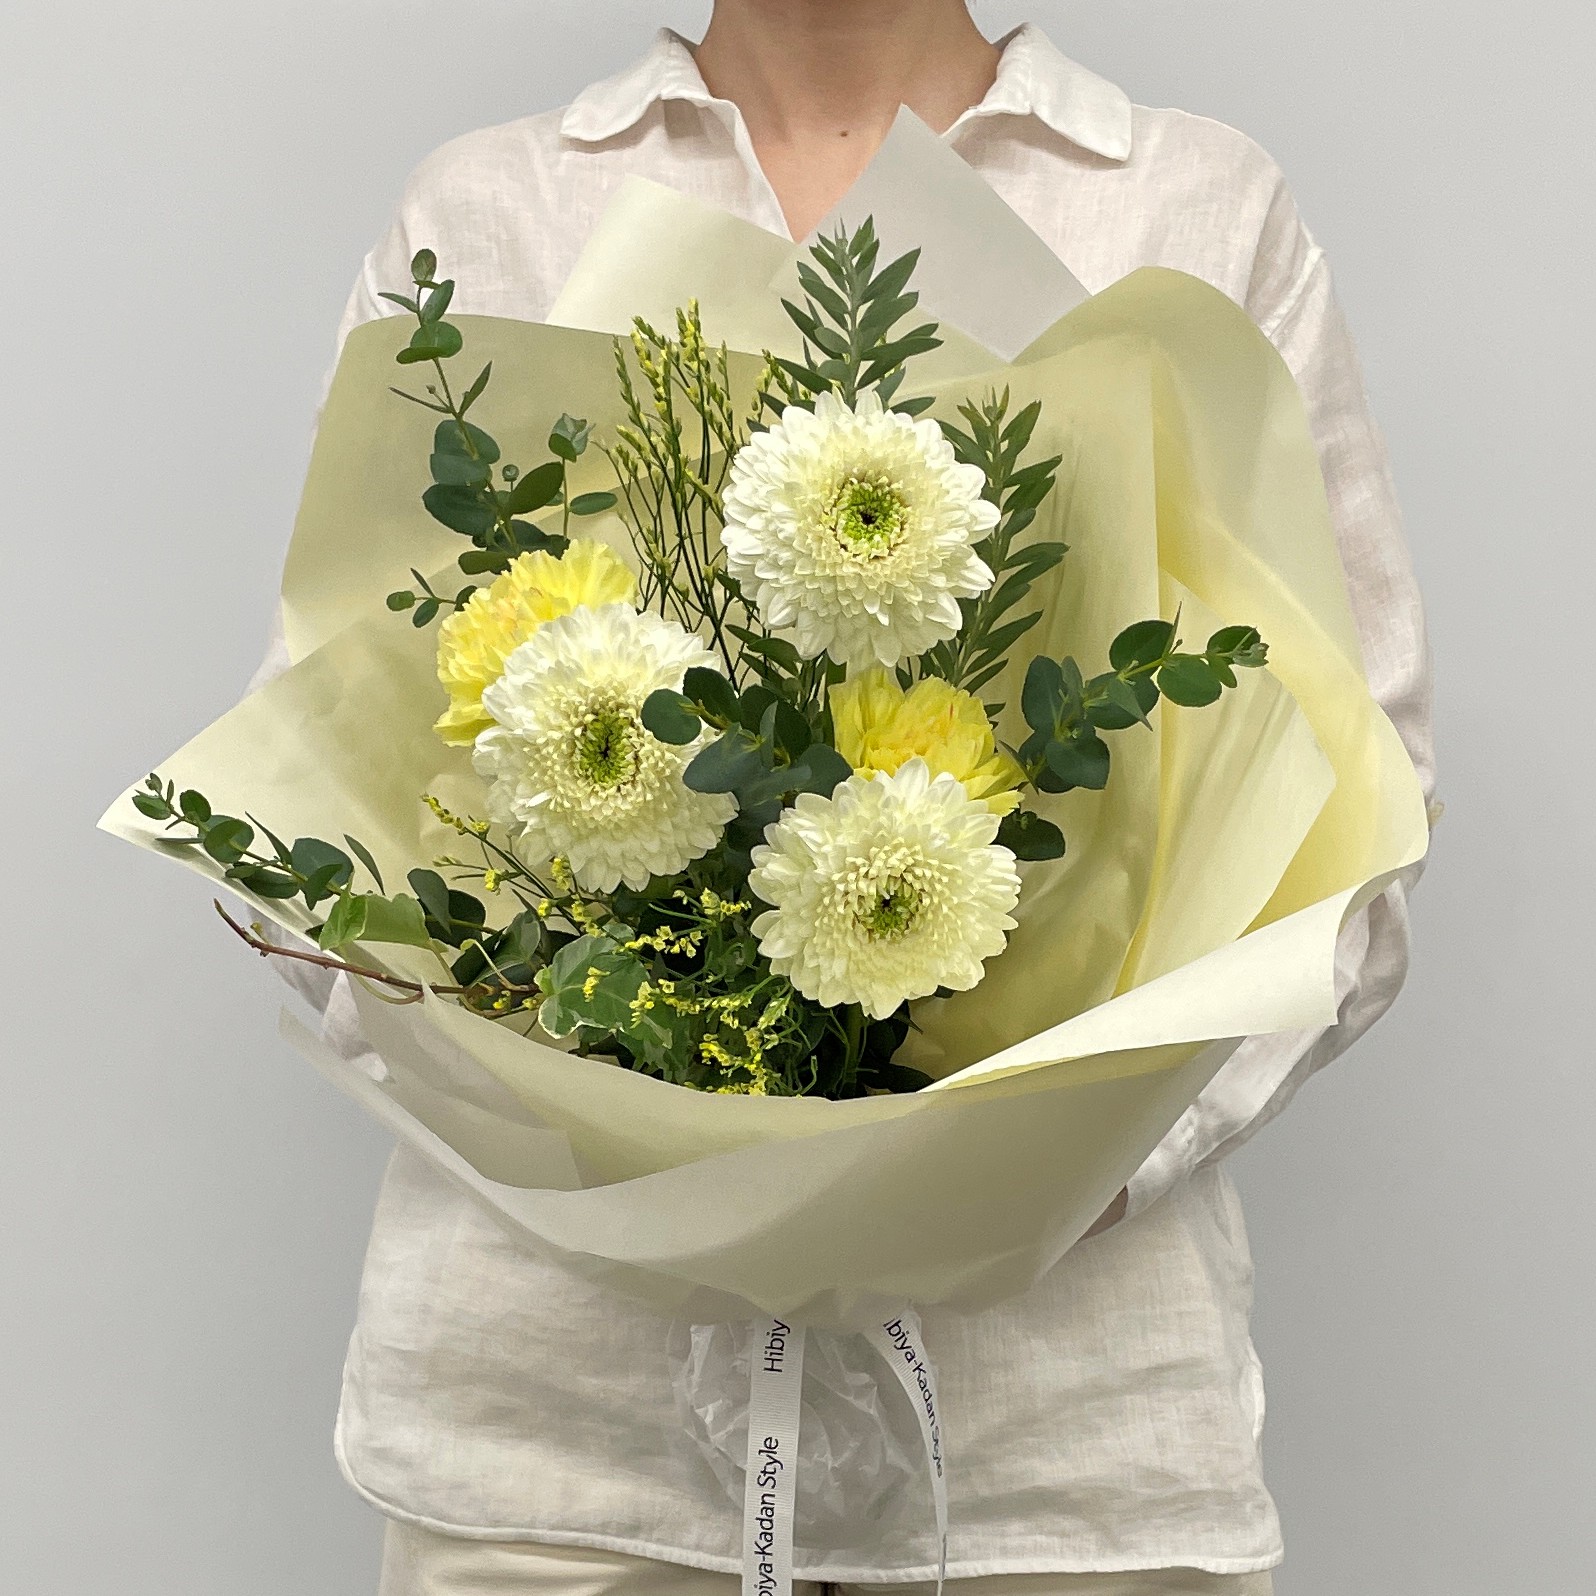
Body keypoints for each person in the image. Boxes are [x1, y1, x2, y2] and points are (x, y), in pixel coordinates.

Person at [248, 5, 1436, 1593]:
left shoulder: (1192, 206)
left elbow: (1352, 814)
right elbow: (324, 798)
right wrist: (606, 1142)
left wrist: (1054, 1177)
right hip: (554, 1449)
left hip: (1059, 1450)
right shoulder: (491, 210)